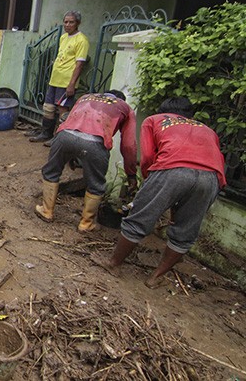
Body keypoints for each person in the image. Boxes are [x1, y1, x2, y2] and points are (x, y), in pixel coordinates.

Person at [93, 97, 226, 288]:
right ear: (190, 115)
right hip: (211, 178)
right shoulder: (208, 130)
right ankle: (155, 277)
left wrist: (148, 181)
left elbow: (147, 157)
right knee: (185, 231)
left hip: (172, 168)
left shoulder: (155, 120)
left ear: (163, 110)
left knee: (139, 219)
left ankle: (113, 264)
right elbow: (214, 160)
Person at [35, 90, 138, 232]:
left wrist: (71, 155)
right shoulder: (124, 107)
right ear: (121, 99)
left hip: (65, 135)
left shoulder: (85, 98)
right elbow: (128, 145)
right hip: (95, 142)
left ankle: (46, 211)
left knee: (52, 171)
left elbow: (70, 119)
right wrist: (131, 173)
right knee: (96, 184)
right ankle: (86, 223)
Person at [28, 11, 90, 143]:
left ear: (78, 23)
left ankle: (58, 139)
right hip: (55, 79)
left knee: (63, 111)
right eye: (65, 22)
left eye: (71, 22)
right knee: (48, 108)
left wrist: (72, 84)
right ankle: (46, 134)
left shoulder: (82, 40)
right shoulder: (63, 37)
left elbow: (79, 64)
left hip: (66, 82)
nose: (67, 25)